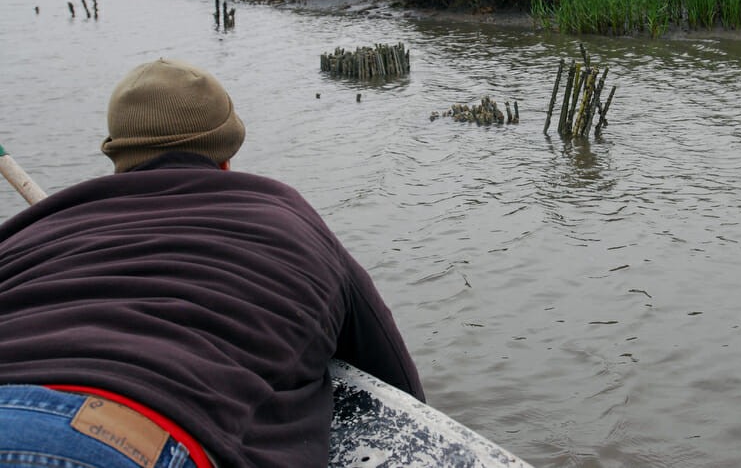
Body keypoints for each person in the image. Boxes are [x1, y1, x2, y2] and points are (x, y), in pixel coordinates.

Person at [0, 58, 424, 468]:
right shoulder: (285, 213)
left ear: (117, 159)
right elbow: (398, 387)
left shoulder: (34, 226)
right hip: (121, 438)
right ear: (226, 157)